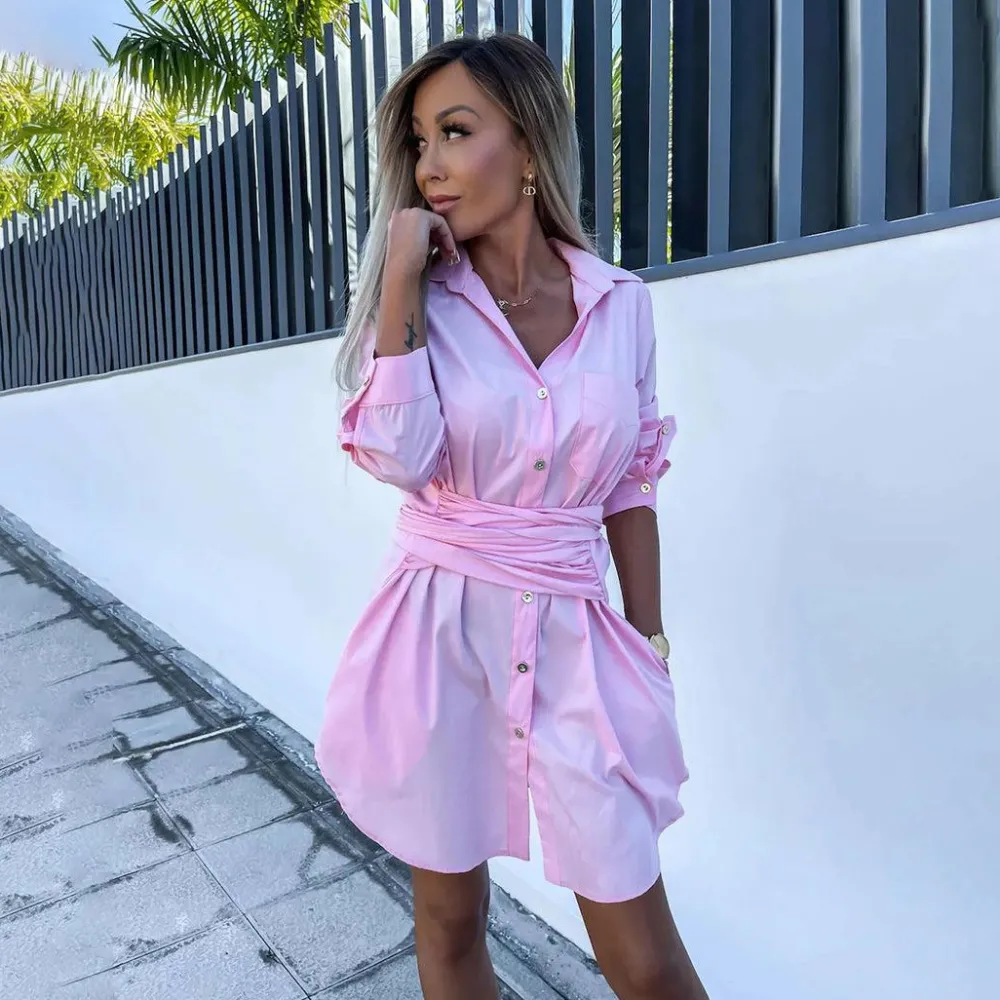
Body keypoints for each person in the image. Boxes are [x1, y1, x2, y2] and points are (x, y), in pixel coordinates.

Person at [315, 31, 708, 1000]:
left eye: (456, 131)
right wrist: (399, 279)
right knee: (451, 921)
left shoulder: (619, 304)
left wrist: (648, 637)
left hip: (576, 638)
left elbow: (631, 479)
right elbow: (398, 456)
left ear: (527, 145)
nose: (430, 166)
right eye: (420, 142)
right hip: (438, 634)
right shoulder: (423, 307)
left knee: (648, 960)